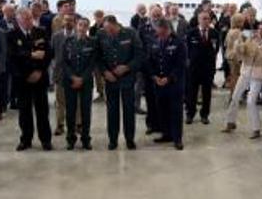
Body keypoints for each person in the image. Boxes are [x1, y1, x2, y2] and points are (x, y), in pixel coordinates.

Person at [6, 9, 53, 151]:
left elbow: (48, 53)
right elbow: (13, 56)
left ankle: (46, 140)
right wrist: (32, 55)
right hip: (23, 79)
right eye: (26, 19)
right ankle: (26, 140)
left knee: (42, 110)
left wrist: (39, 70)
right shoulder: (11, 35)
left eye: (31, 18)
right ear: (18, 20)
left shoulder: (41, 31)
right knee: (24, 111)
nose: (29, 21)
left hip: (40, 77)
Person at [96, 15, 145, 150]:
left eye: (111, 30)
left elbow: (139, 54)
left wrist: (127, 67)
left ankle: (130, 139)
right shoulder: (101, 34)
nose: (109, 33)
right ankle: (113, 139)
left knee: (129, 109)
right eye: (106, 30)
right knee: (112, 111)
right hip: (110, 78)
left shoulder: (130, 33)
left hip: (127, 78)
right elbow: (98, 57)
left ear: (116, 24)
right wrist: (105, 72)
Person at [223, 21, 262, 138]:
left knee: (251, 101)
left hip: (258, 75)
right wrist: (239, 41)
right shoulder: (249, 40)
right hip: (245, 71)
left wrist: (260, 41)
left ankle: (256, 129)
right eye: (259, 29)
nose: (260, 31)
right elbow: (240, 51)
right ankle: (230, 122)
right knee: (235, 97)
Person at [145, 18, 186, 149]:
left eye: (163, 33)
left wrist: (168, 78)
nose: (161, 36)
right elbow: (149, 61)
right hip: (158, 83)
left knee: (176, 111)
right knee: (162, 110)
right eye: (159, 33)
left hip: (174, 84)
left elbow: (180, 65)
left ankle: (177, 138)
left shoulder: (178, 43)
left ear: (168, 30)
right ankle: (166, 134)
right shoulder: (153, 42)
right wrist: (154, 76)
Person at [61, 17, 97, 150]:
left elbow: (92, 63)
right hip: (70, 81)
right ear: (76, 26)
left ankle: (86, 139)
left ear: (88, 28)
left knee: (86, 111)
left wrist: (82, 78)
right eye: (80, 25)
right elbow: (64, 62)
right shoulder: (68, 41)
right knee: (70, 111)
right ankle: (70, 139)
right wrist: (73, 77)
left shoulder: (92, 43)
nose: (82, 28)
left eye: (85, 26)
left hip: (86, 82)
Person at [185, 10, 219, 125]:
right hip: (194, 68)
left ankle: (204, 114)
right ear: (198, 20)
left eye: (207, 19)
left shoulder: (215, 33)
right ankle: (190, 113)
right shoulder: (191, 33)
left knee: (206, 93)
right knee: (192, 92)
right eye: (203, 18)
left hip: (208, 68)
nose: (205, 21)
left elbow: (216, 49)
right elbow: (187, 50)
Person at [50, 14, 75, 137]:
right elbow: (52, 55)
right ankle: (60, 125)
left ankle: (77, 125)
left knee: (77, 101)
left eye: (71, 20)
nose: (68, 22)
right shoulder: (56, 36)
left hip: (75, 74)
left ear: (74, 22)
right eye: (66, 20)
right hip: (60, 74)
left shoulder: (78, 36)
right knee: (60, 102)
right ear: (62, 22)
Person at [222, 14, 245, 92]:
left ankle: (232, 95)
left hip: (229, 55)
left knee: (232, 76)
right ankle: (234, 96)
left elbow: (225, 43)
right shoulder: (238, 32)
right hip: (235, 57)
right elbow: (239, 47)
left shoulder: (230, 31)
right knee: (236, 77)